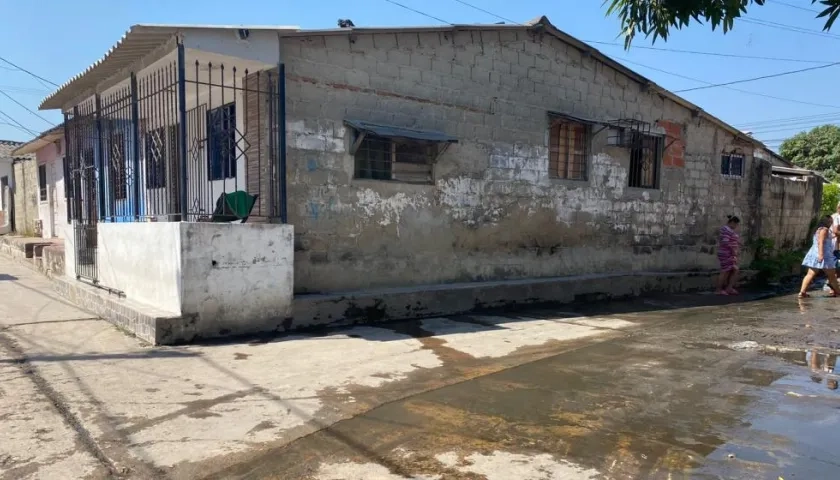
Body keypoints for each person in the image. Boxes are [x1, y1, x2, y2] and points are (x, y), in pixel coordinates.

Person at [799, 215, 840, 298]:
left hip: (815, 254)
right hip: (824, 255)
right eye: (830, 221)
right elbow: (820, 242)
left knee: (810, 274)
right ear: (826, 222)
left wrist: (835, 236)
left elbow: (826, 239)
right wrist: (821, 255)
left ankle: (802, 292)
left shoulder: (819, 229)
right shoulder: (824, 230)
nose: (831, 223)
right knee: (832, 276)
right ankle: (838, 292)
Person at [717, 215, 741, 295]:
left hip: (730, 253)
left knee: (735, 270)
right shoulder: (726, 229)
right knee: (725, 271)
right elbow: (725, 242)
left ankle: (729, 288)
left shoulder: (729, 230)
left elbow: (731, 239)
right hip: (726, 253)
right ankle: (719, 290)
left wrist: (738, 243)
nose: (736, 226)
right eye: (736, 224)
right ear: (732, 222)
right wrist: (733, 250)